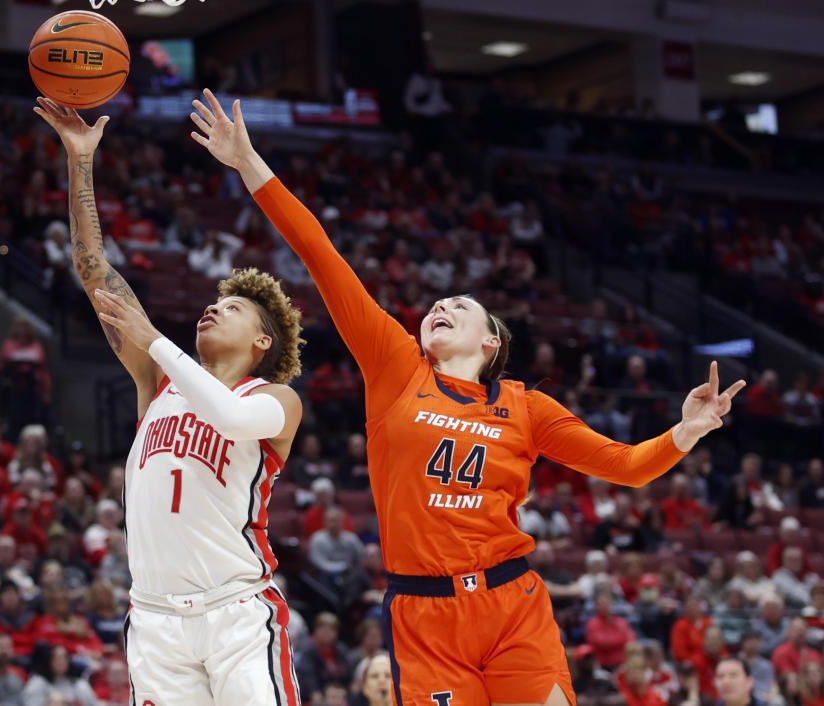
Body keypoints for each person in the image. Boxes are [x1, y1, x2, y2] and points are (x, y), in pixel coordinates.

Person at [191, 86, 747, 705]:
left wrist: (686, 432)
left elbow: (623, 466)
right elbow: (322, 257)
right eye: (436, 304)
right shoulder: (396, 368)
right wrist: (250, 166)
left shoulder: (527, 406)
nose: (440, 307)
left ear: (490, 342)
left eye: (459, 307)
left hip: (513, 607)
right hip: (423, 616)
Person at [34, 95, 306, 706]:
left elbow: (231, 417)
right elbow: (93, 267)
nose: (212, 307)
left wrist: (152, 337)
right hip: (153, 619)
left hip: (237, 612)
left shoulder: (275, 399)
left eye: (231, 308)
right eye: (213, 301)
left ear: (263, 340)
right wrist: (80, 161)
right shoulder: (156, 384)